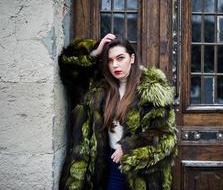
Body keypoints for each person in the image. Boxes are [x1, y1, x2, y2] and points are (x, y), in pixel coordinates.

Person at [59, 33, 177, 190]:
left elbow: (165, 136)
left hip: (140, 172)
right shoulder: (99, 86)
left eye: (120, 58)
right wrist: (94, 52)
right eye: (110, 60)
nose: (115, 65)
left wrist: (128, 147)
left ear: (132, 58)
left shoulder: (152, 90)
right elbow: (68, 70)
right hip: (106, 165)